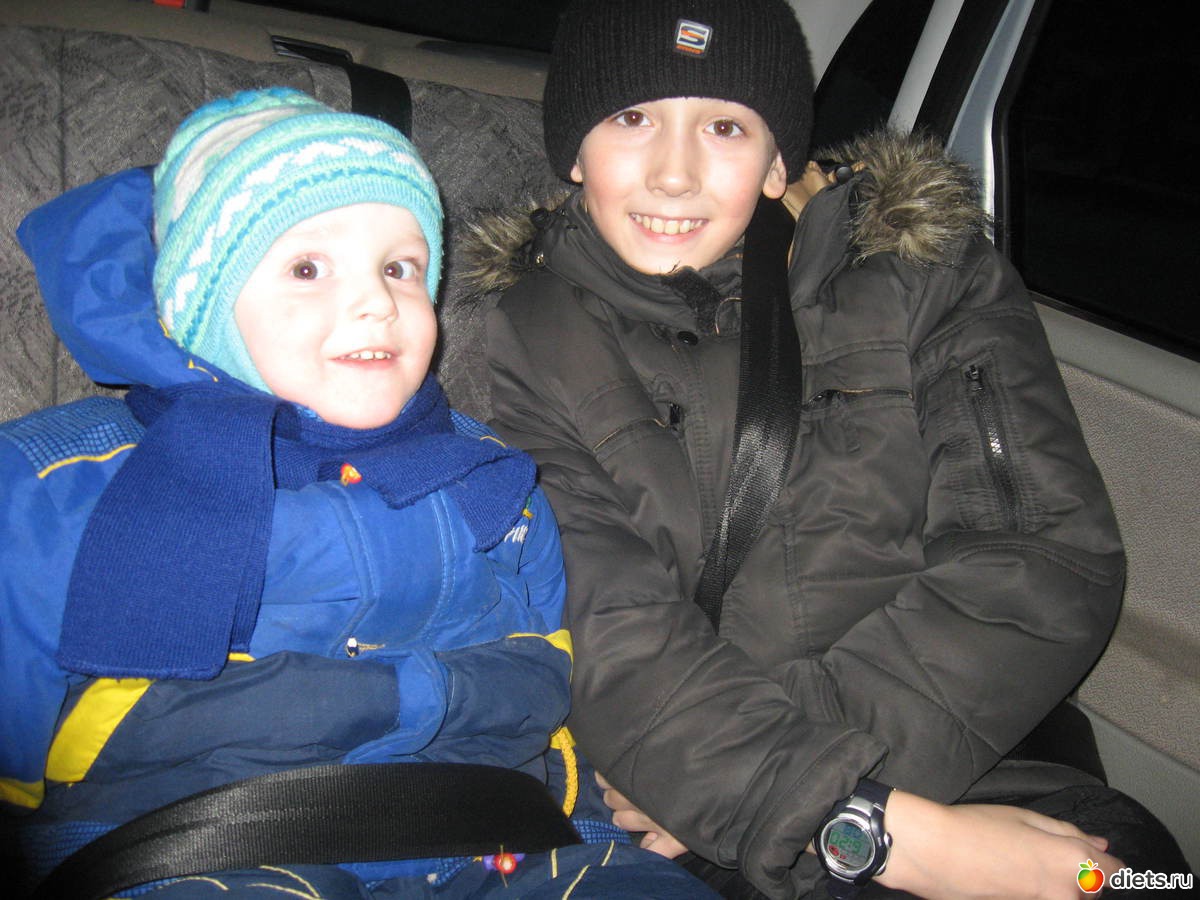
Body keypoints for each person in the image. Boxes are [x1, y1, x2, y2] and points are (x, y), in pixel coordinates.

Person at [479, 1, 1191, 897]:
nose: (674, 174)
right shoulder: (534, 337)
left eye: (725, 127)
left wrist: (796, 783)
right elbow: (607, 624)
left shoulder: (925, 273)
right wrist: (868, 825)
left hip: (959, 766)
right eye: (632, 118)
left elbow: (1044, 557)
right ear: (574, 152)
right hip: (699, 798)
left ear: (778, 161)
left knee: (1133, 881)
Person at [0, 87, 717, 899]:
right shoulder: (59, 482)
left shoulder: (488, 476)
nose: (377, 301)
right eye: (307, 268)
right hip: (203, 853)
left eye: (399, 268)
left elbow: (554, 690)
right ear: (199, 302)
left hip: (498, 847)